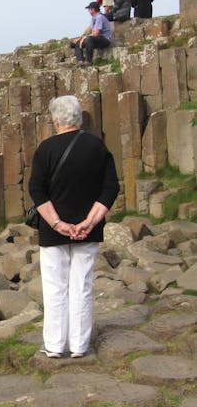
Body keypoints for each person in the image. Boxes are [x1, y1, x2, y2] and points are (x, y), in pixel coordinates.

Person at [28, 96, 119, 358]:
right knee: (82, 285)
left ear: (56, 120)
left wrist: (58, 223)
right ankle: (79, 345)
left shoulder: (46, 149)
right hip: (88, 230)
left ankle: (55, 346)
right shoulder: (97, 147)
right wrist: (90, 221)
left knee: (55, 287)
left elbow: (37, 189)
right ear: (78, 118)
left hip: (52, 230)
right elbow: (110, 187)